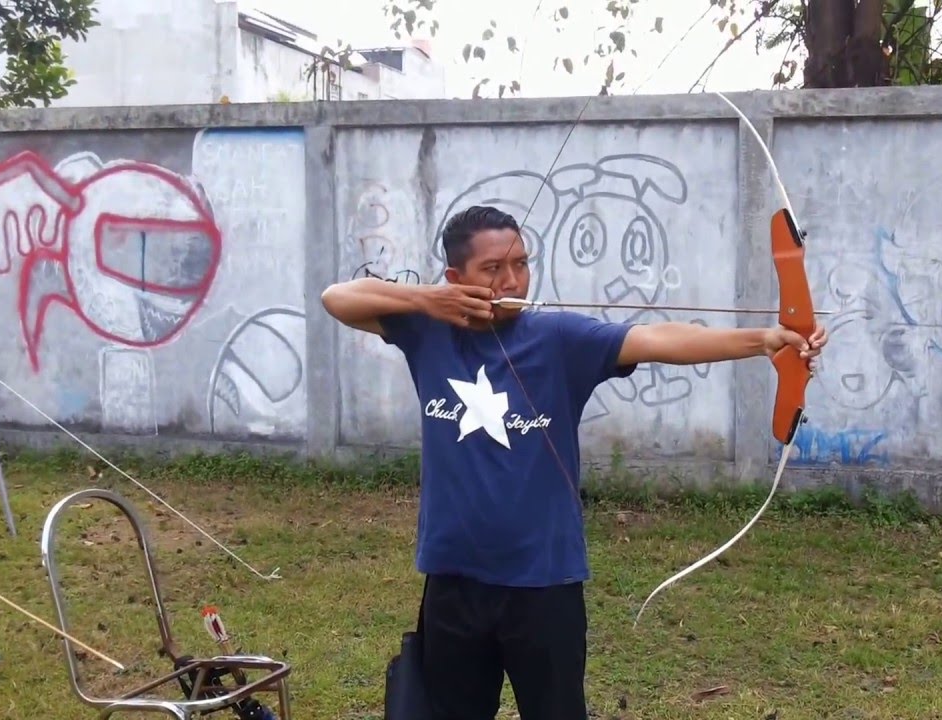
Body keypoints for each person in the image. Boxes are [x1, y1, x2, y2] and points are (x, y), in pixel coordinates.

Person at [320, 205, 828, 720]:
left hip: (543, 585)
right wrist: (427, 300)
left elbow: (656, 339)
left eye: (521, 263)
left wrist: (763, 341)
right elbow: (336, 298)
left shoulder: (559, 339)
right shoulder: (427, 332)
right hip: (453, 579)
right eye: (492, 268)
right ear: (456, 278)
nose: (512, 279)